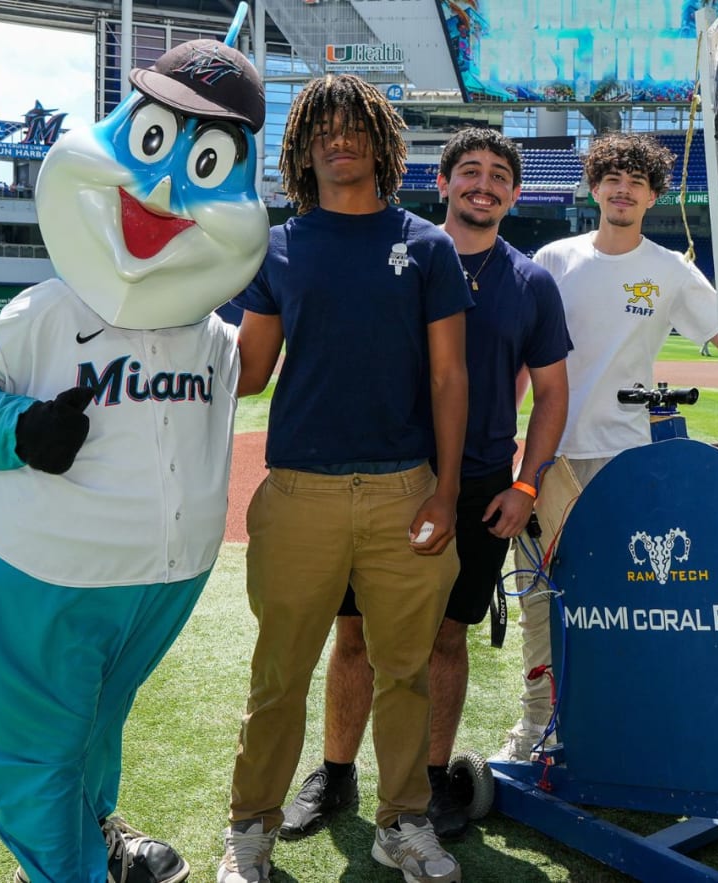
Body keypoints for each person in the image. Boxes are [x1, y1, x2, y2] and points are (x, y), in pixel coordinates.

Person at [0, 39, 272, 883]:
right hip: (42, 568)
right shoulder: (48, 309)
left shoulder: (214, 337)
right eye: (154, 143)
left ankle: (95, 836)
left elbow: (261, 371)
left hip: (158, 580)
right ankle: (64, 866)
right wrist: (23, 427)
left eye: (206, 159)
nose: (161, 188)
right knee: (34, 744)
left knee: (94, 723)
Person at [494, 131, 718, 763]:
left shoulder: (670, 270)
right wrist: (508, 444)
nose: (623, 190)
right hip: (549, 457)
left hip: (628, 461)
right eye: (612, 178)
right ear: (594, 186)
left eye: (637, 181)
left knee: (628, 594)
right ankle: (537, 726)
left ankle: (627, 719)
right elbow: (523, 358)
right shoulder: (551, 259)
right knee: (540, 598)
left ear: (655, 195)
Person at [280, 127, 572, 844]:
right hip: (385, 475)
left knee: (447, 638)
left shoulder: (530, 281)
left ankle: (433, 778)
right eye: (468, 171)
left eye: (499, 174)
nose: (484, 184)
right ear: (441, 183)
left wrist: (527, 485)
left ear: (516, 192)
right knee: (353, 637)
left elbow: (553, 394)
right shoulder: (397, 252)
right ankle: (336, 772)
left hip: (476, 484)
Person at [218, 73, 471, 883]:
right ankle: (249, 830)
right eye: (322, 127)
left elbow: (449, 379)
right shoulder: (278, 246)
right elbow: (250, 371)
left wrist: (446, 490)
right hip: (299, 493)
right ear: (301, 146)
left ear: (381, 140)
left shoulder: (427, 245)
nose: (339, 137)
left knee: (404, 672)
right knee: (279, 675)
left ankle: (402, 822)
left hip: (406, 488)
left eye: (353, 125)